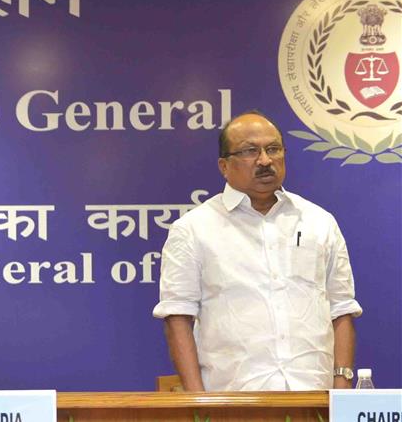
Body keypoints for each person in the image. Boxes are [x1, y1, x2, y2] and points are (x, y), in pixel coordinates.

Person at [154, 111, 361, 390]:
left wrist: (342, 385)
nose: (265, 160)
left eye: (273, 149)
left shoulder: (319, 221)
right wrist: (199, 401)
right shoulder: (193, 229)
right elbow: (178, 317)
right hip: (233, 400)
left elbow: (341, 308)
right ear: (224, 166)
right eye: (250, 151)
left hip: (315, 395)